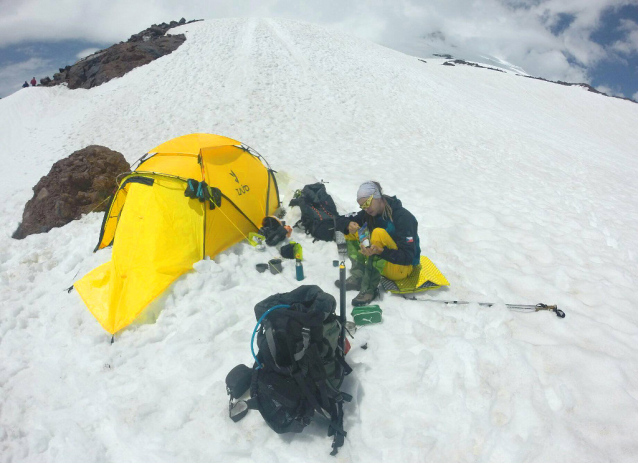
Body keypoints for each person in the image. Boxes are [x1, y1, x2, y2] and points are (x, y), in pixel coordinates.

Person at [335, 181, 421, 306]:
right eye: (362, 206)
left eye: (368, 203)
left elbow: (408, 257)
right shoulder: (369, 213)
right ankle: (358, 276)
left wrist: (381, 251)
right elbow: (338, 220)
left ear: (377, 196)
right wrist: (348, 224)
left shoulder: (403, 218)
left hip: (401, 268)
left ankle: (369, 289)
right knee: (351, 229)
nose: (366, 208)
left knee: (378, 233)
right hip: (383, 261)